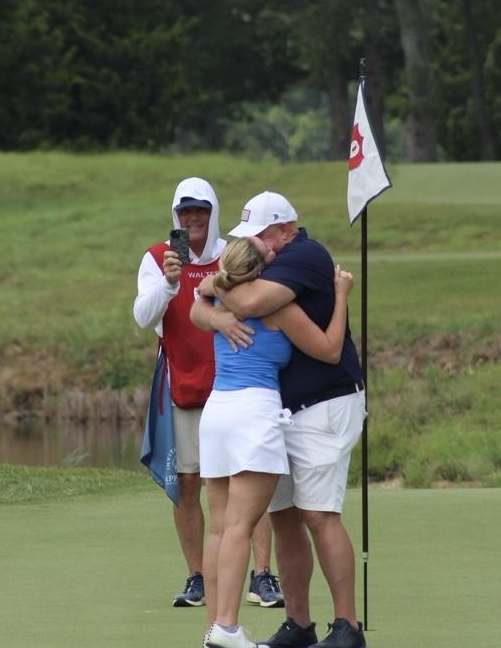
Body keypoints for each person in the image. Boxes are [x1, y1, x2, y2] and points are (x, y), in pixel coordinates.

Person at [195, 191, 367, 648]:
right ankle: (299, 624)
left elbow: (247, 302)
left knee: (318, 512)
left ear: (286, 230)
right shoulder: (266, 267)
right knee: (286, 516)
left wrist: (214, 287)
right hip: (278, 412)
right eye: (250, 240)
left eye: (262, 236)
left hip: (324, 403)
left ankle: (348, 626)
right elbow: (210, 298)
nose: (259, 246)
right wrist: (211, 302)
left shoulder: (305, 255)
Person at [133, 178, 283, 609]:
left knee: (248, 477)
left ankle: (262, 576)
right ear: (176, 216)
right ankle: (198, 576)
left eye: (200, 211)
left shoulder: (233, 254)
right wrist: (167, 283)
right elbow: (144, 318)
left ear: (213, 212)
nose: (193, 219)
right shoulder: (158, 259)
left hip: (237, 385)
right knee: (187, 481)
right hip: (182, 383)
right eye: (185, 213)